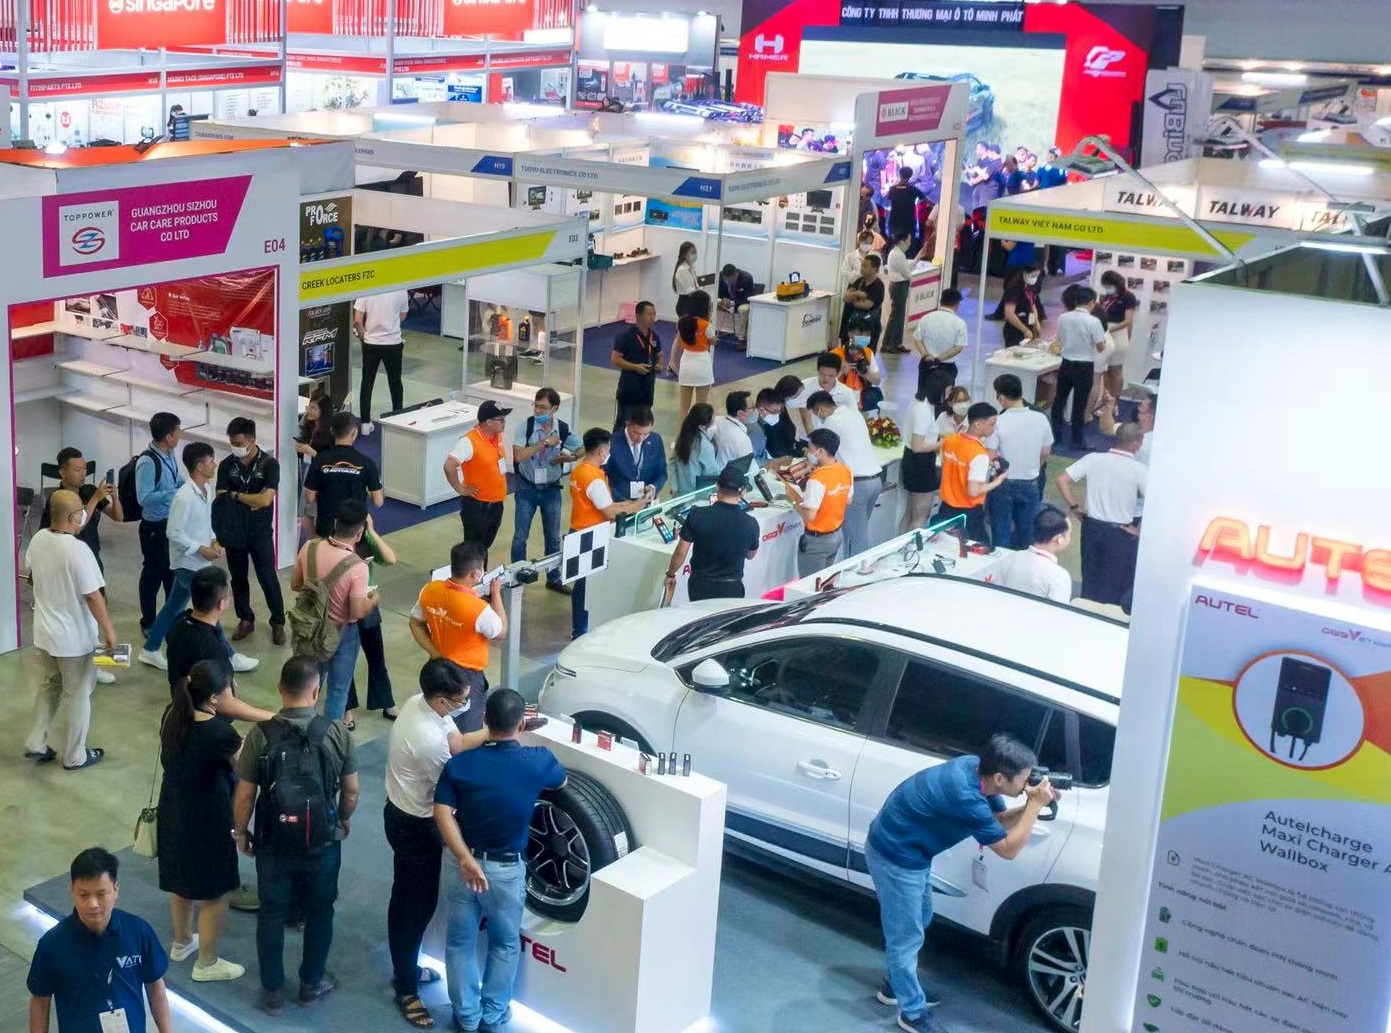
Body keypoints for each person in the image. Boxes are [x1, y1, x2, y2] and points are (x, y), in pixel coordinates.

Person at [867, 735, 1057, 1033]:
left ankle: (896, 985)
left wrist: (1031, 804)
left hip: (913, 853)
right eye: (1023, 780)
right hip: (895, 857)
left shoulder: (976, 768)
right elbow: (1008, 850)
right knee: (906, 937)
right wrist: (1033, 806)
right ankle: (912, 1013)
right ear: (999, 778)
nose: (1025, 785)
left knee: (920, 919)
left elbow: (998, 819)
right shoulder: (965, 795)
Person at [435, 689, 567, 1033]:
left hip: (461, 867)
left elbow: (442, 812)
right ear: (521, 723)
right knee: (505, 943)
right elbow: (561, 780)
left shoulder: (459, 765)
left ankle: (466, 1017)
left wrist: (464, 858)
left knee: (459, 942)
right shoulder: (537, 761)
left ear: (483, 720)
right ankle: (492, 1015)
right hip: (506, 871)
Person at [234, 656, 360, 1016]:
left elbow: (245, 794)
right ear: (316, 691)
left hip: (273, 840)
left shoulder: (260, 735)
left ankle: (272, 991)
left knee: (271, 913)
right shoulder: (336, 732)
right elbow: (351, 790)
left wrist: (241, 832)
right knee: (320, 912)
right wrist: (342, 819)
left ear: (280, 688)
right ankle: (310, 984)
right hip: (323, 840)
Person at [385, 660, 489, 1029]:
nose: (465, 705)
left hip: (403, 811)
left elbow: (457, 743)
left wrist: (494, 731)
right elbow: (450, 795)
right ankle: (405, 987)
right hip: (414, 826)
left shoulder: (420, 703)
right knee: (413, 907)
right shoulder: (426, 741)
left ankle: (405, 968)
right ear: (442, 700)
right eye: (460, 701)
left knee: (411, 899)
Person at [157, 659, 246, 983]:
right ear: (214, 698)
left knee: (181, 881)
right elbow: (243, 768)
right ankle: (207, 963)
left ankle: (182, 942)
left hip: (172, 811)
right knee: (216, 892)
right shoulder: (219, 733)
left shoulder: (173, 714)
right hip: (208, 819)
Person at [27, 848, 173, 1033]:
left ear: (116, 889)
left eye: (101, 894)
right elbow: (40, 1000)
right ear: (72, 890)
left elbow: (155, 986)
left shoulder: (138, 932)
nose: (93, 904)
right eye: (84, 895)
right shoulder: (52, 944)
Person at [22, 490, 116, 771]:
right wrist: (109, 630)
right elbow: (93, 596)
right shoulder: (78, 550)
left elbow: (32, 577)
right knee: (78, 695)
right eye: (81, 510)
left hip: (44, 636)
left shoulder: (38, 540)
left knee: (50, 686)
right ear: (74, 516)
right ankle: (76, 755)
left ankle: (36, 741)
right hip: (74, 641)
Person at [141, 443, 254, 673]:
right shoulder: (184, 497)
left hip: (200, 561)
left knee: (173, 607)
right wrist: (200, 548)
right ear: (199, 466)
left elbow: (206, 523)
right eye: (211, 461)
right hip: (187, 564)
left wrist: (213, 540)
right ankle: (229, 656)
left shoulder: (207, 490)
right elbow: (173, 532)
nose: (215, 465)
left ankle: (150, 648)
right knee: (211, 607)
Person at [291, 499, 378, 721]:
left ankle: (302, 727)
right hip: (342, 633)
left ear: (336, 523)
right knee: (338, 691)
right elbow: (357, 612)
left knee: (308, 686)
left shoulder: (309, 548)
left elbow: (295, 584)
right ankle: (329, 735)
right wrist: (373, 600)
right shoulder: (357, 567)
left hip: (309, 628)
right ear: (359, 533)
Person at [165, 566, 275, 728]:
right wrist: (273, 717)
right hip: (205, 725)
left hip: (181, 711)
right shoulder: (212, 649)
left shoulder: (180, 621)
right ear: (222, 603)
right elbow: (226, 704)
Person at [1057, 423, 1146, 612]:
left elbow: (1062, 479)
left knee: (1089, 576)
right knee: (1114, 583)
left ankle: (1084, 611)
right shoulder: (1139, 470)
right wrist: (1140, 530)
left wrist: (1074, 507)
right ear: (1136, 443)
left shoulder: (1093, 459)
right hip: (1120, 533)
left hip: (1091, 527)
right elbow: (1154, 501)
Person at [568, 429, 646, 638]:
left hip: (579, 530)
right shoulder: (593, 478)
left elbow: (604, 504)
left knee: (583, 586)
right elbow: (610, 512)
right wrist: (638, 506)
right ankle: (581, 631)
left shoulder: (580, 471)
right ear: (601, 451)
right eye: (608, 450)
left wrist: (625, 504)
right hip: (591, 536)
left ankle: (580, 628)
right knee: (587, 588)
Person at [215, 418, 285, 645]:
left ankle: (278, 621)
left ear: (252, 440)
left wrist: (236, 496)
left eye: (238, 443)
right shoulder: (227, 465)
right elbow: (221, 498)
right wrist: (249, 499)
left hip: (260, 532)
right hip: (234, 532)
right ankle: (245, 618)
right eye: (232, 443)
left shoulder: (269, 465)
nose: (234, 447)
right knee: (238, 579)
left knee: (267, 577)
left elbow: (265, 500)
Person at [511, 387, 581, 593]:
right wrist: (543, 443)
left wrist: (571, 457)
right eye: (536, 405)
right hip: (526, 488)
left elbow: (582, 447)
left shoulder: (563, 429)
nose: (538, 411)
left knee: (553, 537)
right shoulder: (525, 426)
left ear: (554, 408)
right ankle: (516, 577)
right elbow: (518, 456)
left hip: (551, 490)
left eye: (543, 407)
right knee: (520, 536)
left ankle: (554, 578)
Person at [410, 541, 506, 677]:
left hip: (437, 668)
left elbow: (415, 623)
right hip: (467, 675)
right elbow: (500, 633)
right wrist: (495, 593)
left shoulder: (430, 589)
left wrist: (436, 655)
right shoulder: (479, 609)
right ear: (475, 574)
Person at [664, 465, 760, 601]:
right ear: (743, 492)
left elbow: (681, 553)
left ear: (717, 486)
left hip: (700, 586)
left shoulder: (697, 515)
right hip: (732, 587)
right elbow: (750, 555)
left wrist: (671, 574)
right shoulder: (751, 523)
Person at [807, 391, 882, 559]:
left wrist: (809, 461)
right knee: (859, 533)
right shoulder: (854, 414)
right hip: (874, 481)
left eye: (816, 415)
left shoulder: (831, 422)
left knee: (855, 539)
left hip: (857, 486)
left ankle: (858, 573)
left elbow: (819, 452)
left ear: (820, 410)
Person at [344, 513, 400, 728]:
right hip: (343, 608)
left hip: (367, 604)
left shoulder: (366, 539)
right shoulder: (332, 545)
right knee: (345, 660)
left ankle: (386, 702)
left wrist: (372, 532)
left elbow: (390, 559)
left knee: (377, 656)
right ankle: (347, 709)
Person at [989, 374, 1054, 550]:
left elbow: (991, 455)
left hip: (1002, 483)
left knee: (1001, 532)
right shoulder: (1040, 418)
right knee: (1028, 533)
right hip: (1030, 481)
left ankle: (1001, 564)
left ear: (1002, 398)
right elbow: (1045, 452)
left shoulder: (998, 422)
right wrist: (1034, 467)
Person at [136, 412, 185, 637]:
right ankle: (148, 621)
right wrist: (172, 494)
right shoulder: (147, 462)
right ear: (168, 436)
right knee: (153, 575)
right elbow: (144, 497)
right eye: (178, 431)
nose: (180, 434)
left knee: (171, 573)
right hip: (154, 528)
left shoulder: (170, 453)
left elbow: (176, 478)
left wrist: (189, 486)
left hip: (171, 522)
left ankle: (170, 617)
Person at [443, 400, 512, 558]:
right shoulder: (469, 441)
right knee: (474, 550)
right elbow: (449, 466)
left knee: (484, 547)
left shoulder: (497, 437)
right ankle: (474, 573)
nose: (504, 423)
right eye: (501, 419)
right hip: (478, 506)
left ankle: (480, 571)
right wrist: (460, 488)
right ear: (488, 422)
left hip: (496, 504)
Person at [304, 410, 385, 538]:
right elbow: (378, 501)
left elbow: (309, 497)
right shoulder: (366, 463)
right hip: (354, 529)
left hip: (326, 526)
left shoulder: (319, 460)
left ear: (332, 431)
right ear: (354, 432)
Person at [39, 447, 122, 571]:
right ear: (62, 472)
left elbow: (118, 517)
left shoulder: (89, 490)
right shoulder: (57, 499)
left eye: (84, 468)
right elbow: (77, 528)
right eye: (77, 469)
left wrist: (114, 497)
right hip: (69, 562)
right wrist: (95, 498)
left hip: (92, 557)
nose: (83, 473)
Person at [785, 428, 853, 578]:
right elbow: (848, 500)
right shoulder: (845, 470)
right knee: (825, 581)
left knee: (810, 584)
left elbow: (810, 516)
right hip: (836, 535)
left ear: (819, 452)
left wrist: (794, 501)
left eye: (810, 448)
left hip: (817, 542)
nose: (807, 452)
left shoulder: (817, 479)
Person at [938, 402, 1005, 544]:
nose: (994, 428)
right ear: (977, 424)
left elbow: (948, 467)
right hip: (968, 514)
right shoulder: (979, 454)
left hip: (946, 509)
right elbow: (973, 492)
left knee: (946, 547)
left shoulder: (949, 441)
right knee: (979, 550)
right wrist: (997, 482)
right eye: (992, 424)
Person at [1051, 286, 1108, 451]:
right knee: (1079, 404)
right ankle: (1077, 440)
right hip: (1084, 366)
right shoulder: (1094, 321)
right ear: (1091, 302)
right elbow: (1100, 347)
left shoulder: (1063, 317)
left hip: (1066, 363)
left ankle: (1055, 437)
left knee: (1059, 401)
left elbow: (1059, 339)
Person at [353, 289, 410, 433]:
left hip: (371, 343)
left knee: (367, 382)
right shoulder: (401, 289)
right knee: (395, 382)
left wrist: (363, 337)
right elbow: (403, 316)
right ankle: (397, 419)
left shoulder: (367, 288)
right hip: (393, 342)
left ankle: (365, 423)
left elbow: (357, 320)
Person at [992, 506, 1073, 602]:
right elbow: (1058, 609)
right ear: (1059, 539)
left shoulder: (1011, 558)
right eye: (1069, 533)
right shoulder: (1059, 576)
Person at [910, 287, 967, 411]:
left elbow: (917, 339)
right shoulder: (959, 323)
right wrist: (939, 358)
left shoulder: (926, 318)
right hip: (947, 366)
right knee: (944, 400)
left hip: (926, 364)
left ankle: (922, 419)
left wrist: (926, 355)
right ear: (957, 304)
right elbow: (958, 347)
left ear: (941, 301)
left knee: (923, 397)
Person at [666, 289, 716, 426]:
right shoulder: (706, 325)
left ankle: (681, 435)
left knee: (683, 408)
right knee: (701, 407)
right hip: (702, 363)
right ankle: (698, 435)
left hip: (686, 362)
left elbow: (679, 339)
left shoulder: (681, 322)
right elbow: (712, 341)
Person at [610, 301, 662, 427]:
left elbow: (659, 354)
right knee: (624, 425)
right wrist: (635, 367)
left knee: (643, 424)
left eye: (654, 314)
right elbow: (615, 359)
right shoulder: (625, 336)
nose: (652, 318)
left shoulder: (654, 336)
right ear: (638, 316)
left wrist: (659, 364)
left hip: (648, 389)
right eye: (649, 314)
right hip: (629, 389)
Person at [899, 382, 941, 533]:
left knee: (910, 512)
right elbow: (918, 446)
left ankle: (901, 544)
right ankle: (911, 546)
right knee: (921, 515)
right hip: (921, 463)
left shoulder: (919, 403)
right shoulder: (923, 409)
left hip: (912, 460)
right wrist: (943, 443)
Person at [296, 391, 338, 540]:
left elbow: (334, 460)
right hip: (308, 472)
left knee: (317, 512)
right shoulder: (306, 423)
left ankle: (321, 543)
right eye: (309, 407)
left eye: (314, 408)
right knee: (304, 511)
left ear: (323, 411)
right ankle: (312, 541)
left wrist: (313, 453)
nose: (309, 411)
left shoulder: (332, 431)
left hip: (324, 477)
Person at [603, 404, 667, 503]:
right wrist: (622, 501)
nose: (640, 439)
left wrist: (653, 487)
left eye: (646, 434)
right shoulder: (612, 442)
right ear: (627, 424)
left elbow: (662, 472)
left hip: (647, 502)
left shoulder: (656, 440)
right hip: (618, 503)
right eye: (636, 433)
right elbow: (601, 477)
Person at [786, 353, 858, 435]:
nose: (825, 379)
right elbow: (788, 403)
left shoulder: (847, 393)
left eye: (831, 376)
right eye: (822, 374)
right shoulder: (804, 387)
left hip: (835, 438)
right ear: (818, 370)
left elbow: (853, 418)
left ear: (838, 373)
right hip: (807, 437)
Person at [1097, 269, 1138, 400]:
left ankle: (1116, 401)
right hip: (1105, 333)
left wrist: (1111, 329)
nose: (1107, 288)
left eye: (1109, 285)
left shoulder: (1128, 297)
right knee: (1105, 369)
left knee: (1116, 369)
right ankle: (1107, 399)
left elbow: (1128, 321)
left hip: (1118, 333)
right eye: (1105, 286)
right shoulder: (1107, 297)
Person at [840, 252, 885, 352]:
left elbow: (867, 305)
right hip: (853, 324)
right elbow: (845, 298)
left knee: (864, 354)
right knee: (849, 352)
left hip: (868, 327)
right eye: (862, 265)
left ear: (874, 269)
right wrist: (858, 293)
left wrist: (853, 300)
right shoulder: (859, 281)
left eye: (865, 266)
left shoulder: (878, 285)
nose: (862, 268)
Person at [672, 403, 721, 495]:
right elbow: (712, 472)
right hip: (698, 494)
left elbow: (673, 462)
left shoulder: (683, 437)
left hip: (682, 492)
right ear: (703, 425)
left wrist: (675, 487)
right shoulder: (704, 445)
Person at [830, 334, 884, 413]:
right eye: (860, 333)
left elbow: (877, 381)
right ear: (850, 333)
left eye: (867, 333)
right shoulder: (834, 354)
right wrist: (840, 371)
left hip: (862, 401)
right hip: (840, 400)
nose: (864, 336)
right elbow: (825, 385)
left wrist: (867, 373)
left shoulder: (868, 352)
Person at [882, 230, 915, 354]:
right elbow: (906, 273)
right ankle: (887, 344)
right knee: (895, 316)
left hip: (900, 286)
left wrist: (917, 258)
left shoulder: (899, 253)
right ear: (902, 241)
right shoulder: (897, 254)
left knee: (900, 316)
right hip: (898, 287)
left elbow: (906, 268)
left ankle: (897, 342)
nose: (910, 243)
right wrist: (913, 277)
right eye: (908, 240)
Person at [1000, 266, 1043, 349]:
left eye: (1037, 276)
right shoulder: (1013, 289)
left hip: (1029, 325)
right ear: (1025, 273)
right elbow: (1009, 314)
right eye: (1033, 276)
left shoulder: (1031, 287)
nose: (1035, 278)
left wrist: (1036, 323)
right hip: (1015, 329)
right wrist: (1025, 330)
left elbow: (1033, 305)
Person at [883, 166, 926, 247]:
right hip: (908, 222)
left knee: (894, 245)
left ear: (900, 175)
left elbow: (887, 201)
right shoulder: (913, 190)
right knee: (908, 246)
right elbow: (924, 199)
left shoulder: (892, 189)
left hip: (894, 221)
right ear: (910, 176)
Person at [711, 390, 755, 467]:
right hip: (729, 472)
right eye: (752, 407)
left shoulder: (717, 420)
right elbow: (747, 467)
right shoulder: (743, 440)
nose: (755, 410)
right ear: (740, 413)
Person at [750, 388, 795, 460]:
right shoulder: (753, 428)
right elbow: (776, 451)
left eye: (780, 410)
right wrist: (773, 427)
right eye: (774, 411)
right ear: (761, 410)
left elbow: (791, 432)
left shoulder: (780, 412)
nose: (778, 414)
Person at [717, 263, 755, 346]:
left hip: (742, 302)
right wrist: (722, 300)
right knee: (711, 303)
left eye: (728, 279)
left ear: (735, 275)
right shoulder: (720, 276)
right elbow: (719, 292)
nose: (726, 280)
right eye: (725, 278)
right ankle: (711, 333)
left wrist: (733, 303)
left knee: (743, 310)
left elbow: (748, 297)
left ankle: (742, 338)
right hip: (727, 301)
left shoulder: (747, 278)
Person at [671, 240, 698, 317]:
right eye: (692, 252)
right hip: (685, 303)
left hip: (690, 302)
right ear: (684, 254)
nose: (694, 255)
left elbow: (695, 284)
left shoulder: (690, 267)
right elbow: (689, 290)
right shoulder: (682, 270)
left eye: (695, 252)